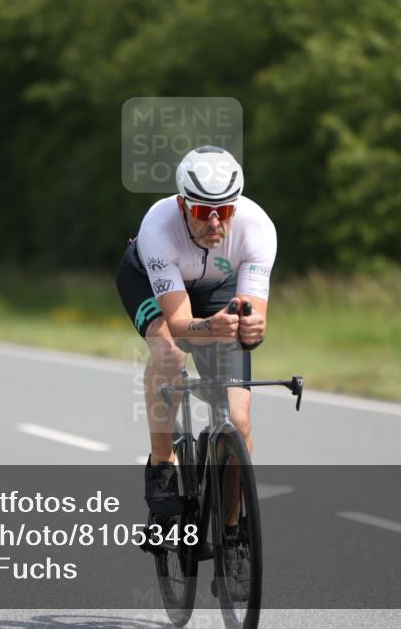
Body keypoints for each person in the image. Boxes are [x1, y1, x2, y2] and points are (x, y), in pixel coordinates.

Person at [116, 145, 276, 522]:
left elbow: (254, 318)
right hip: (149, 284)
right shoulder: (158, 226)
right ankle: (161, 466)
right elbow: (180, 325)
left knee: (238, 420)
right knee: (170, 351)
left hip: (217, 289)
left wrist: (250, 328)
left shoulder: (258, 228)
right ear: (183, 204)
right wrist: (213, 327)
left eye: (226, 211)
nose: (215, 224)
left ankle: (233, 530)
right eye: (204, 212)